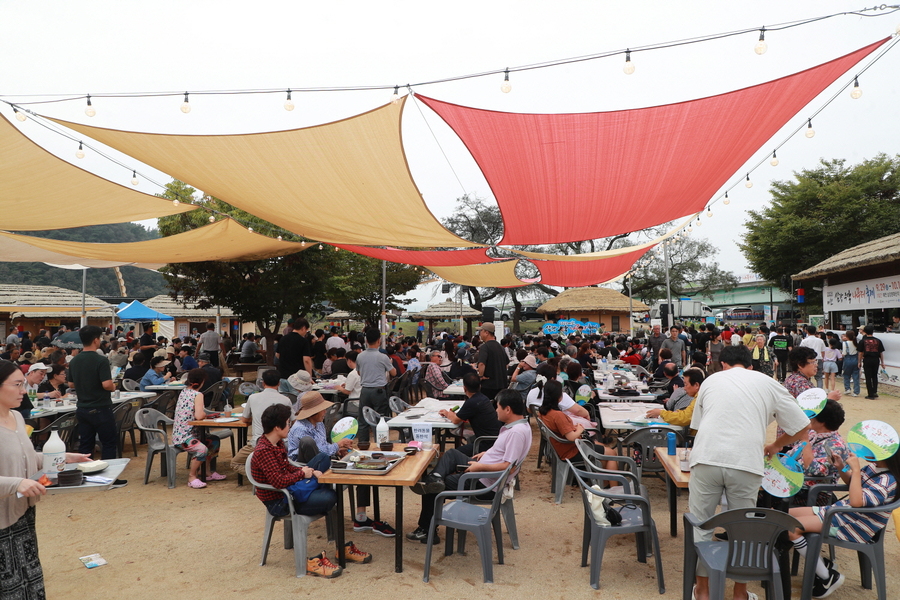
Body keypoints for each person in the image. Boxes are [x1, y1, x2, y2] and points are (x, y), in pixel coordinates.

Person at [687, 345, 810, 600]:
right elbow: (802, 426)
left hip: (706, 458)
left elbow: (698, 426)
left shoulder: (710, 381)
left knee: (701, 524)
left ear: (723, 364)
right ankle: (740, 593)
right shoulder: (767, 382)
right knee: (744, 529)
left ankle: (703, 590)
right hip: (746, 462)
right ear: (750, 364)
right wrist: (776, 445)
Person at [0, 360, 90, 598]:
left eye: (23, 384)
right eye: (17, 385)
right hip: (1, 519)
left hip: (23, 511)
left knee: (30, 577)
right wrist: (16, 483)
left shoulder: (17, 418)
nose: (23, 391)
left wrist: (62, 457)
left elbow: (25, 457)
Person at [406, 389, 532, 544]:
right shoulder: (518, 425)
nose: (496, 410)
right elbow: (505, 453)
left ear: (508, 409)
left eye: (498, 407)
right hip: (484, 470)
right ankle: (435, 478)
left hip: (482, 482)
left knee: (431, 488)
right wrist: (488, 452)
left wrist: (479, 468)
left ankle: (427, 531)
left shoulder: (516, 432)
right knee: (451, 455)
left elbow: (509, 467)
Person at [250, 403, 348, 578]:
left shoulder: (276, 443)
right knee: (331, 496)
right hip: (281, 501)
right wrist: (303, 474)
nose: (290, 426)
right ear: (277, 427)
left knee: (322, 459)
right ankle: (319, 488)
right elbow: (278, 480)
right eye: (287, 423)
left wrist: (308, 472)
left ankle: (317, 486)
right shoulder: (264, 450)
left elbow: (288, 467)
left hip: (291, 489)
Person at [786, 449, 899, 598]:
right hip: (841, 513)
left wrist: (857, 469)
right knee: (783, 516)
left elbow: (856, 501)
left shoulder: (887, 481)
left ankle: (826, 576)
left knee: (790, 529)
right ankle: (824, 566)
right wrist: (840, 467)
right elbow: (853, 483)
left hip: (852, 524)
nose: (868, 450)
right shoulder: (875, 467)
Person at [288, 391, 395, 537]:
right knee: (314, 446)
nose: (325, 412)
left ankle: (361, 516)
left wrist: (338, 451)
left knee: (360, 465)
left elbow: (324, 447)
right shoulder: (300, 428)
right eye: (322, 409)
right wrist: (338, 446)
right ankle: (323, 489)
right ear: (312, 413)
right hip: (306, 467)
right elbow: (321, 452)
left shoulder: (318, 424)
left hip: (324, 460)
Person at [538, 379, 616, 468]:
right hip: (572, 451)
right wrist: (579, 429)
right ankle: (609, 481)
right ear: (559, 396)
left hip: (565, 448)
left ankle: (604, 480)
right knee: (611, 453)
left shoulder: (543, 411)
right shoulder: (557, 415)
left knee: (602, 447)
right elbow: (571, 437)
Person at [231, 369, 292, 476]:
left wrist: (255, 417)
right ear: (279, 383)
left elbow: (245, 419)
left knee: (235, 463)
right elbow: (292, 419)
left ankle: (260, 476)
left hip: (258, 442)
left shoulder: (253, 398)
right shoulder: (285, 399)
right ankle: (270, 475)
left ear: (263, 383)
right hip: (281, 441)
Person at [172, 369, 224, 488]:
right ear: (201, 382)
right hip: (185, 437)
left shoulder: (184, 391)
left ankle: (206, 471)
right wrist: (206, 415)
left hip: (180, 434)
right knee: (201, 449)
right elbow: (199, 416)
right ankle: (192, 476)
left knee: (213, 440)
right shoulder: (198, 394)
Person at [438, 373, 502, 456]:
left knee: (452, 454)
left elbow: (455, 420)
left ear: (464, 388)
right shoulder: (483, 398)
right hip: (495, 440)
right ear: (480, 386)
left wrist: (447, 413)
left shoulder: (472, 402)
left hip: (486, 443)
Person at [355, 328, 395, 442]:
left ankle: (363, 445)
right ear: (379, 340)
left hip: (365, 391)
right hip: (379, 391)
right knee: (380, 420)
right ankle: (380, 445)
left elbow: (359, 372)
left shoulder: (360, 356)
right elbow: (394, 373)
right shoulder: (383, 357)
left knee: (363, 420)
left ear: (366, 340)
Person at [645, 367, 704, 435]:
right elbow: (686, 413)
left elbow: (684, 418)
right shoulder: (699, 397)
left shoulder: (699, 399)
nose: (684, 388)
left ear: (696, 385)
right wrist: (676, 413)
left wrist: (661, 413)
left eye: (686, 384)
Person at [475, 323, 508, 399]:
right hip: (502, 384)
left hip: (488, 385)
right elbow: (506, 364)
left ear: (486, 332)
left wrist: (480, 376)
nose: (480, 334)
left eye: (481, 331)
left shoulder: (485, 347)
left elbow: (481, 364)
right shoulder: (501, 347)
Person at [858, 325, 885, 400]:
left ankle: (870, 393)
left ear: (865, 332)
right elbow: (881, 352)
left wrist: (859, 362)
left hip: (867, 359)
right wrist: (882, 362)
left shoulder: (863, 341)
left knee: (868, 376)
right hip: (876, 359)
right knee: (874, 375)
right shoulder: (878, 341)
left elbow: (860, 353)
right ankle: (875, 391)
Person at [840, 330, 860, 397]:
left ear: (847, 336)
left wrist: (841, 355)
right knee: (856, 376)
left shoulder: (845, 343)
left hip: (848, 359)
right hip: (856, 359)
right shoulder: (856, 342)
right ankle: (856, 391)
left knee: (846, 375)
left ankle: (847, 388)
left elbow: (844, 353)